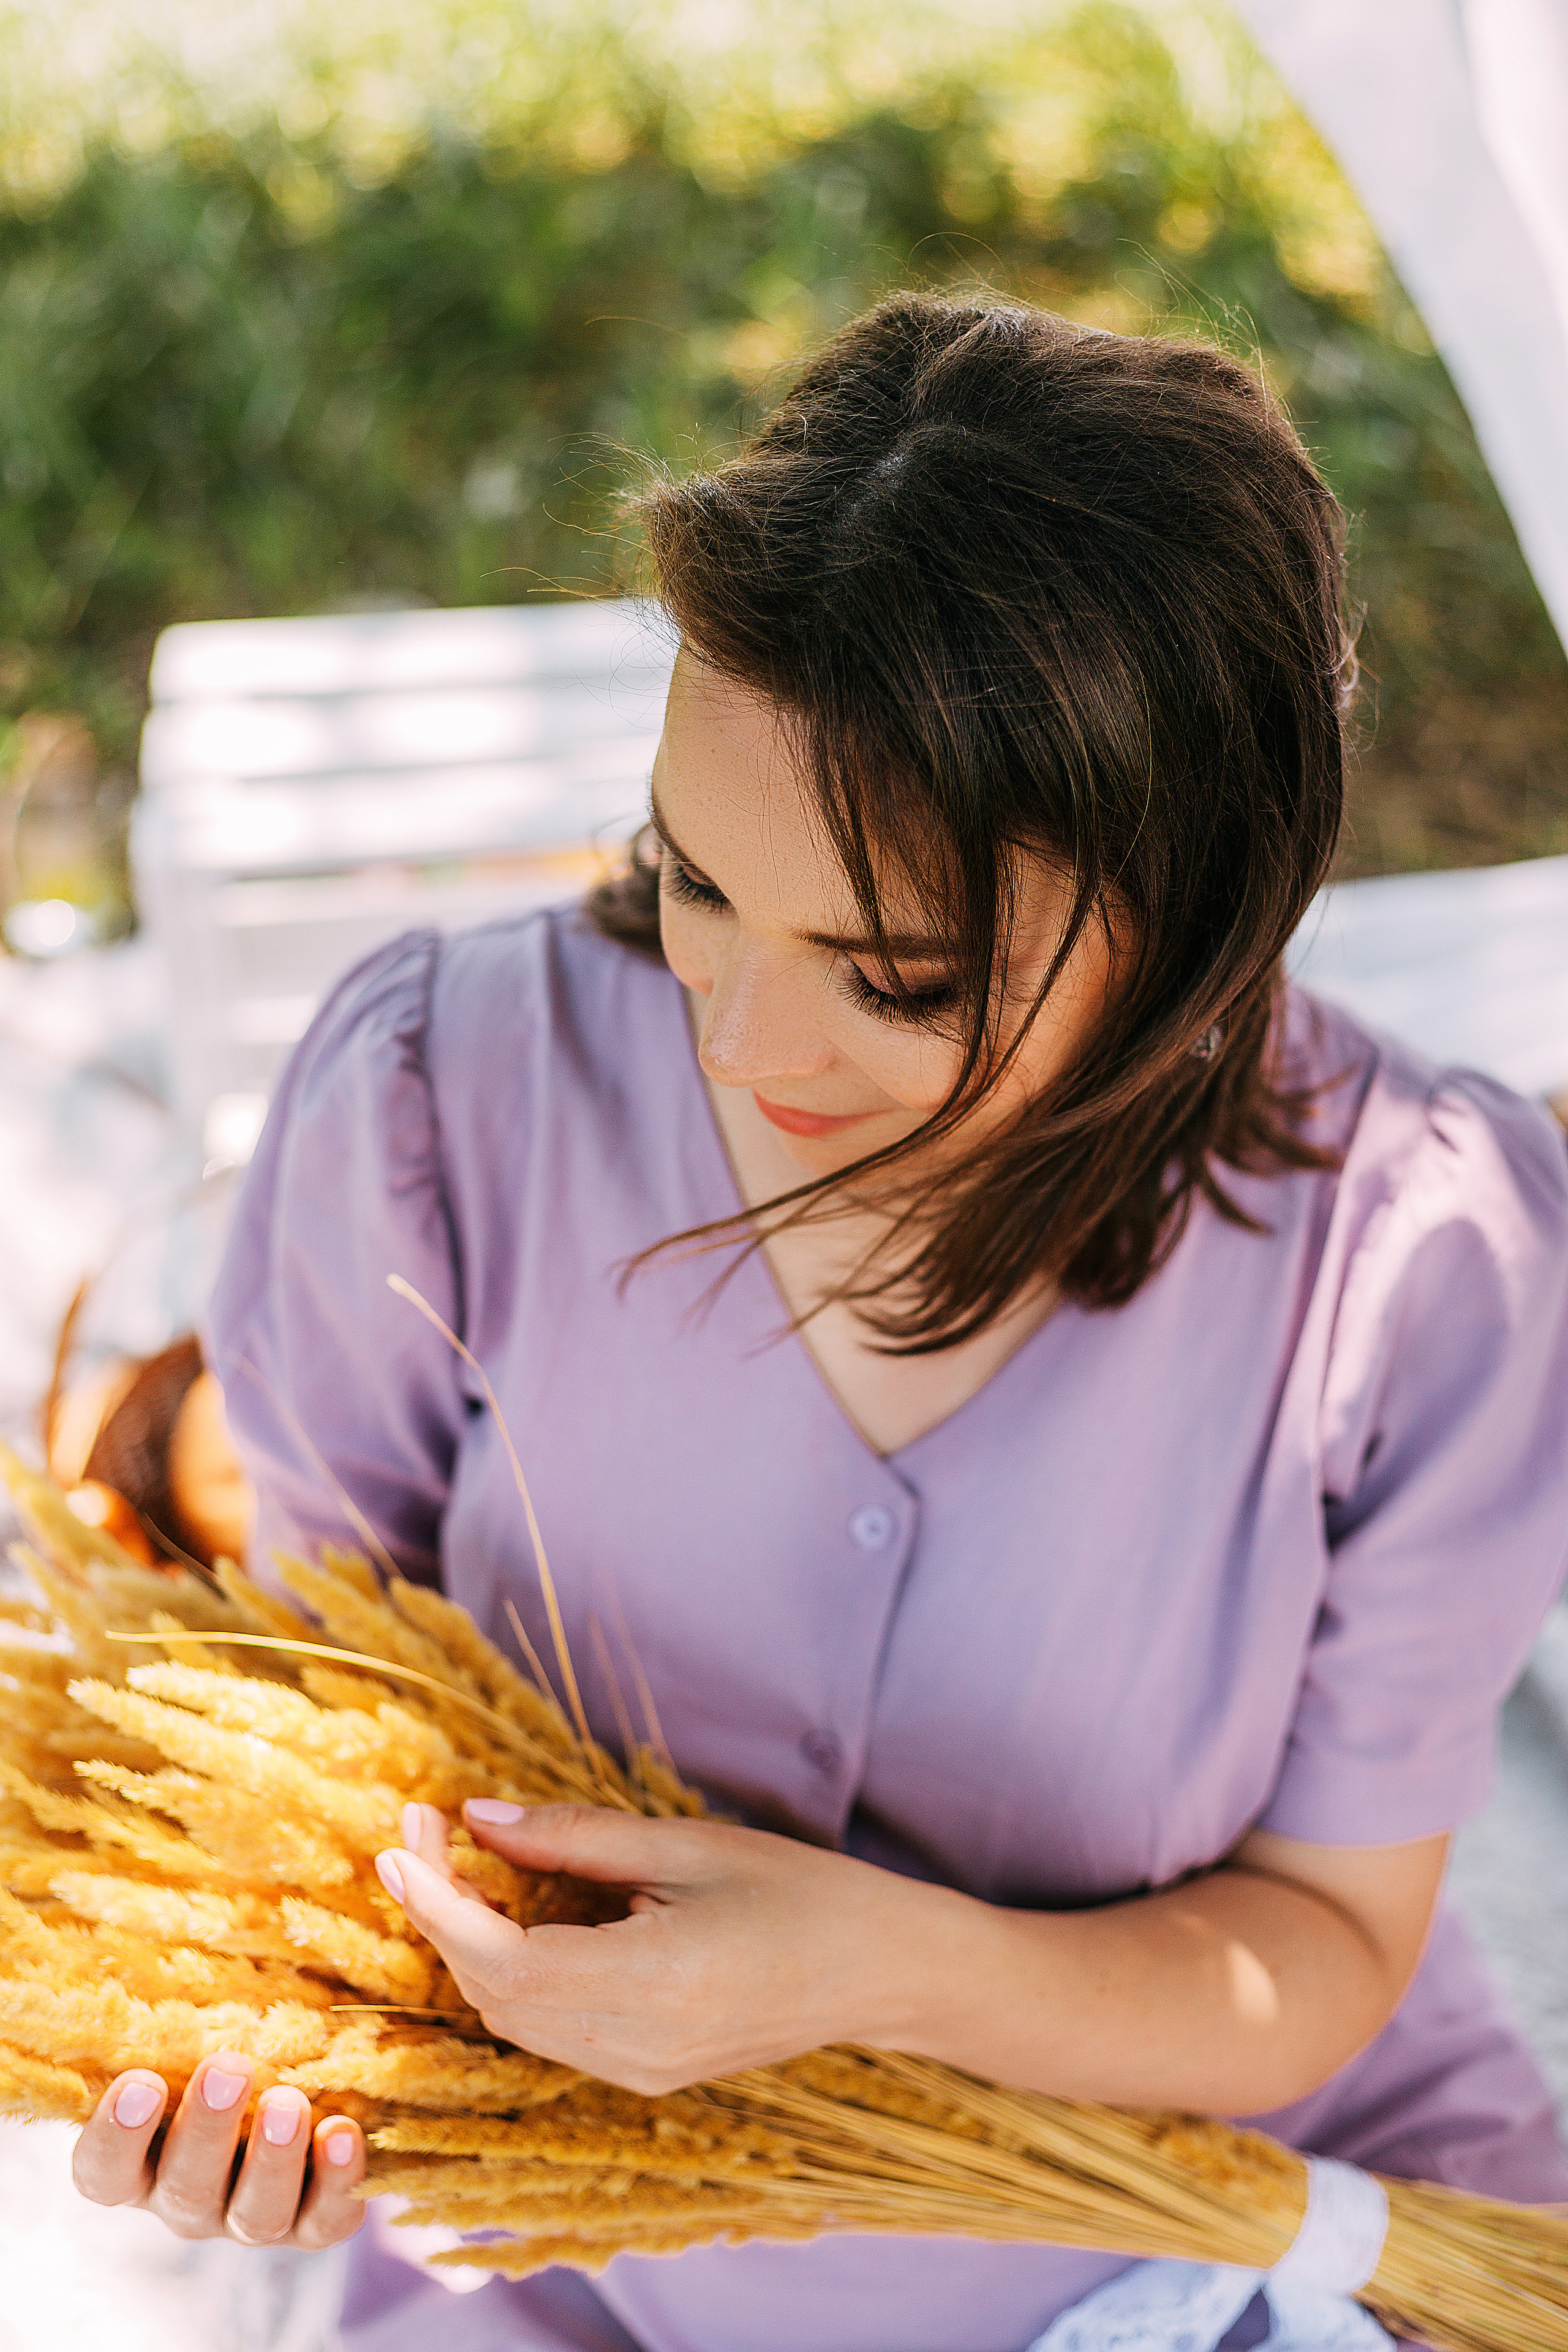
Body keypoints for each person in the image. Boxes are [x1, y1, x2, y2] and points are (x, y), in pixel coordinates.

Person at [71, 295, 1568, 2352]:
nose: (749, 1041)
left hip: (1246, 2234)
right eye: (696, 879)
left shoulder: (1425, 1261)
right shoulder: (436, 1099)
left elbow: (1319, 1944)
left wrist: (876, 1965)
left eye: (902, 979)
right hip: (589, 2266)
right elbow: (324, 1766)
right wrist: (265, 2072)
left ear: (1205, 918)